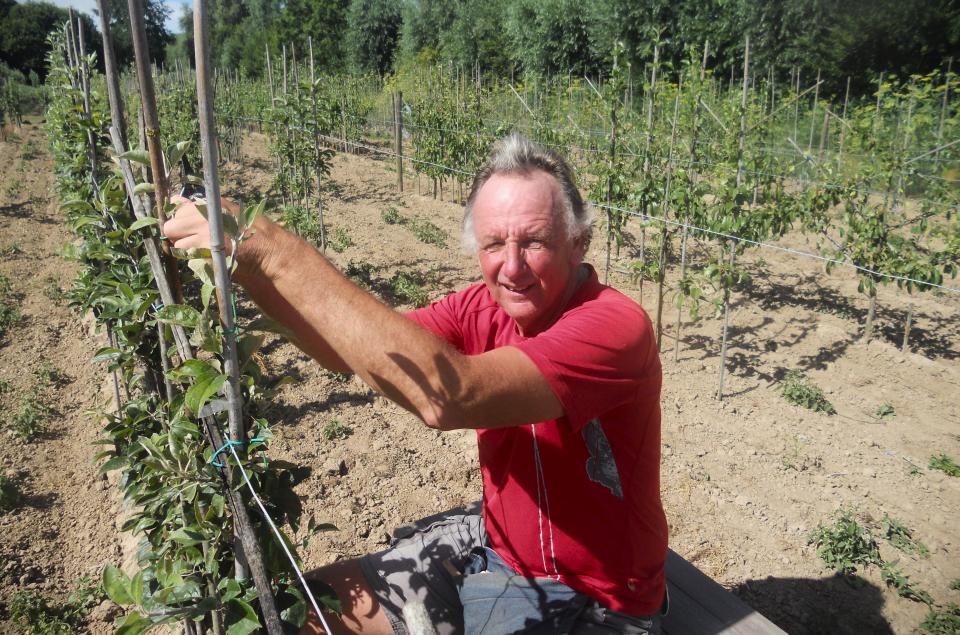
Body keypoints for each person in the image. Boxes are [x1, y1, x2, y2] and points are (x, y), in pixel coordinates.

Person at [166, 133, 668, 635]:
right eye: (494, 244)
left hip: (595, 598)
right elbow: (344, 351)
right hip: (497, 545)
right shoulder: (482, 307)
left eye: (534, 241)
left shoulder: (613, 328)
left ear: (578, 240)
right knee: (302, 614)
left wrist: (270, 249)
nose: (511, 268)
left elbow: (450, 396)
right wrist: (243, 265)